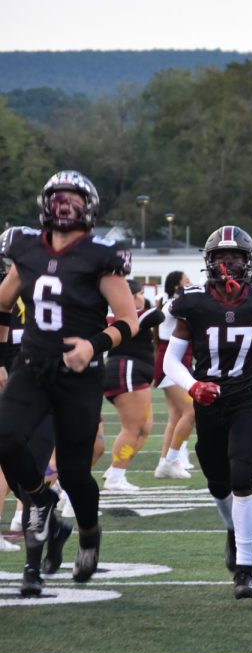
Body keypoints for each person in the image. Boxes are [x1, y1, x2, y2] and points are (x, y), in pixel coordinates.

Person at [0, 171, 136, 596]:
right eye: (57, 197)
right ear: (44, 203)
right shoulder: (26, 248)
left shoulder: (101, 256)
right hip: (33, 368)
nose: (64, 205)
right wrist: (3, 360)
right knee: (7, 440)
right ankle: (39, 509)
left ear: (88, 206)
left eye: (73, 198)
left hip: (78, 375)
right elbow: (2, 305)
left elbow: (129, 321)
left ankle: (89, 534)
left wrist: (93, 346)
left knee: (76, 474)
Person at [162, 225, 252, 600]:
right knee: (218, 481)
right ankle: (237, 532)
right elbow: (171, 362)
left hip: (250, 398)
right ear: (209, 263)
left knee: (243, 474)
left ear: (248, 262)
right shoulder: (194, 302)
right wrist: (193, 386)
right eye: (221, 259)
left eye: (235, 259)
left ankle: (244, 568)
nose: (227, 266)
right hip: (209, 401)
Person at [101, 278, 164, 492]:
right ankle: (116, 477)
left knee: (145, 426)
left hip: (133, 371)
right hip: (126, 369)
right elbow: (157, 315)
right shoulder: (125, 315)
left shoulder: (128, 315)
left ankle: (115, 469)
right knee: (133, 427)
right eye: (138, 295)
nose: (141, 298)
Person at [153, 271, 196, 480]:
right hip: (171, 364)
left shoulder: (175, 303)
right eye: (186, 281)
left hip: (177, 364)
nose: (191, 283)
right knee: (192, 410)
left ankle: (165, 462)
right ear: (176, 286)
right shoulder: (173, 304)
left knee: (176, 415)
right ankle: (171, 459)